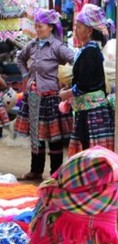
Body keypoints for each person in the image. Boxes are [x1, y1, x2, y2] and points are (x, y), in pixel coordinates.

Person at [15, 9, 74, 181]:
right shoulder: (32, 45)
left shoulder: (58, 47)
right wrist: (26, 75)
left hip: (51, 98)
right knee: (36, 136)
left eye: (40, 26)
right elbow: (20, 59)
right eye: (36, 26)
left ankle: (56, 174)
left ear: (50, 28)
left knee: (54, 139)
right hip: (34, 97)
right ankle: (36, 171)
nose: (37, 29)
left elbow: (75, 61)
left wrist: (66, 79)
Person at [59, 4, 115, 156]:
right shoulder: (90, 50)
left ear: (89, 31)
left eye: (78, 26)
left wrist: (67, 93)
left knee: (90, 152)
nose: (75, 30)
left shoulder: (89, 52)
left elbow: (85, 84)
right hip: (90, 110)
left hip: (91, 113)